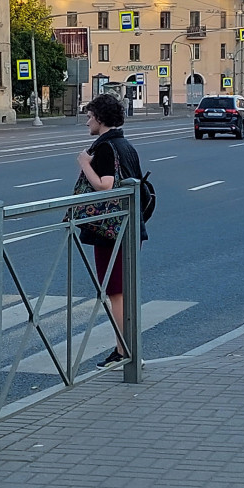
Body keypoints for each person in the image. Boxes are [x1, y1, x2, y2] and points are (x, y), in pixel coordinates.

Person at [76, 94, 146, 366]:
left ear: (101, 118)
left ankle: (125, 350)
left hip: (111, 231)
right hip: (129, 227)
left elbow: (105, 186)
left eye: (90, 116)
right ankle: (125, 348)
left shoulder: (105, 148)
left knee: (115, 291)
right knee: (123, 289)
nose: (87, 122)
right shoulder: (125, 144)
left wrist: (84, 163)